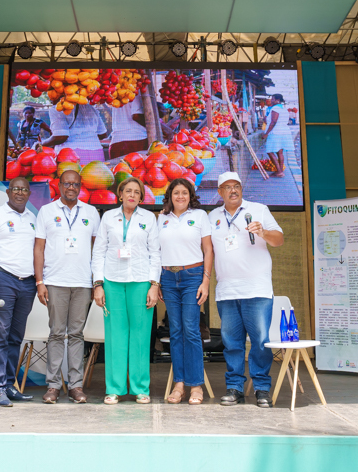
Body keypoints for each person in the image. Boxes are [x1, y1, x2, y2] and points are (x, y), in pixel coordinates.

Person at [209, 172, 284, 408]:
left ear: (242, 189)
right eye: (227, 187)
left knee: (260, 342)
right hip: (227, 291)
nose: (233, 190)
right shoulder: (212, 216)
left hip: (257, 289)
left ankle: (262, 389)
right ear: (219, 192)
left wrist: (263, 232)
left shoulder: (259, 209)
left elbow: (279, 240)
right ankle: (235, 388)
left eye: (237, 186)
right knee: (232, 344)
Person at [91, 177, 161, 404]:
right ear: (120, 194)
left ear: (141, 197)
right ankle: (114, 388)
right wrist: (98, 284)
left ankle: (141, 388)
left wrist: (154, 285)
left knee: (141, 336)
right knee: (115, 335)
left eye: (136, 192)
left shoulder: (149, 218)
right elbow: (98, 251)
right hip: (112, 281)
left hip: (141, 282)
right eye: (128, 191)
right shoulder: (108, 217)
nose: (132, 195)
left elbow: (156, 253)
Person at [34, 169, 99, 404]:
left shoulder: (91, 212)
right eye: (67, 184)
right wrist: (40, 281)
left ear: (80, 186)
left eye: (75, 184)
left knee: (76, 335)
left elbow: (97, 250)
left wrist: (96, 281)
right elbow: (39, 248)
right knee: (56, 334)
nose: (71, 188)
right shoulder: (46, 211)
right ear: (59, 185)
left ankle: (75, 386)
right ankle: (53, 386)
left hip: (82, 283)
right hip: (55, 282)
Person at [0, 176, 38, 407]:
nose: (20, 193)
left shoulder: (33, 218)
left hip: (27, 284)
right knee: (0, 336)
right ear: (8, 192)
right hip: (3, 280)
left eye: (24, 190)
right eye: (16, 189)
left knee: (15, 337)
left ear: (29, 193)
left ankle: (10, 386)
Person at [158, 178, 213, 405]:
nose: (180, 196)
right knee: (176, 332)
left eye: (185, 193)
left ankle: (196, 386)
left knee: (191, 330)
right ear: (170, 195)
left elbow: (208, 250)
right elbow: (155, 251)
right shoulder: (160, 218)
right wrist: (157, 282)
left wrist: (206, 281)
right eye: (176, 193)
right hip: (168, 278)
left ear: (191, 196)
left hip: (192, 277)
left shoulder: (200, 216)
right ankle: (179, 384)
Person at [262, 93, 291, 177]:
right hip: (284, 132)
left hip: (275, 132)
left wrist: (266, 134)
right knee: (280, 152)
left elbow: (273, 122)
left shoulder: (275, 108)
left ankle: (279, 171)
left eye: (273, 99)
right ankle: (280, 171)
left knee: (270, 151)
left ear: (277, 100)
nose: (271, 100)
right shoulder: (283, 109)